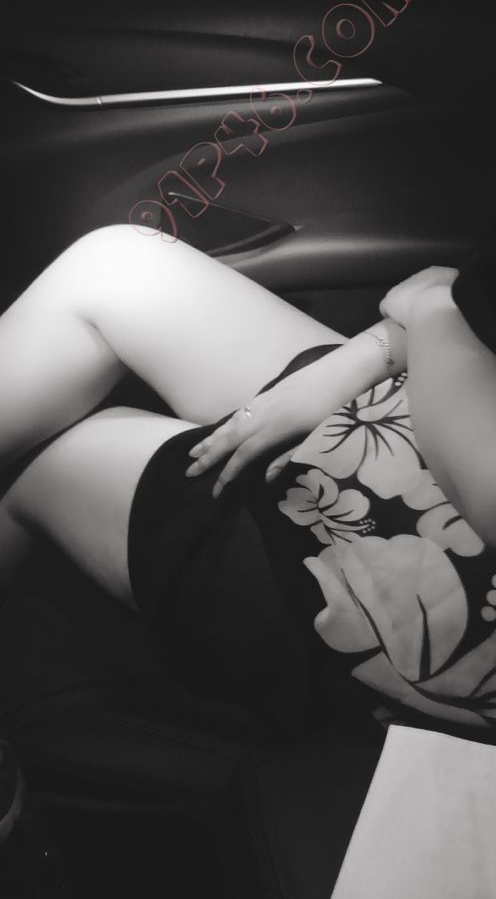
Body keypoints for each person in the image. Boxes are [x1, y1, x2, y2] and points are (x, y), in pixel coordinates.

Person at [0, 225, 495, 732]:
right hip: (437, 403)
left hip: (427, 581)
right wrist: (374, 351)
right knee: (110, 266)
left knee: (45, 463)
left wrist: (433, 307)